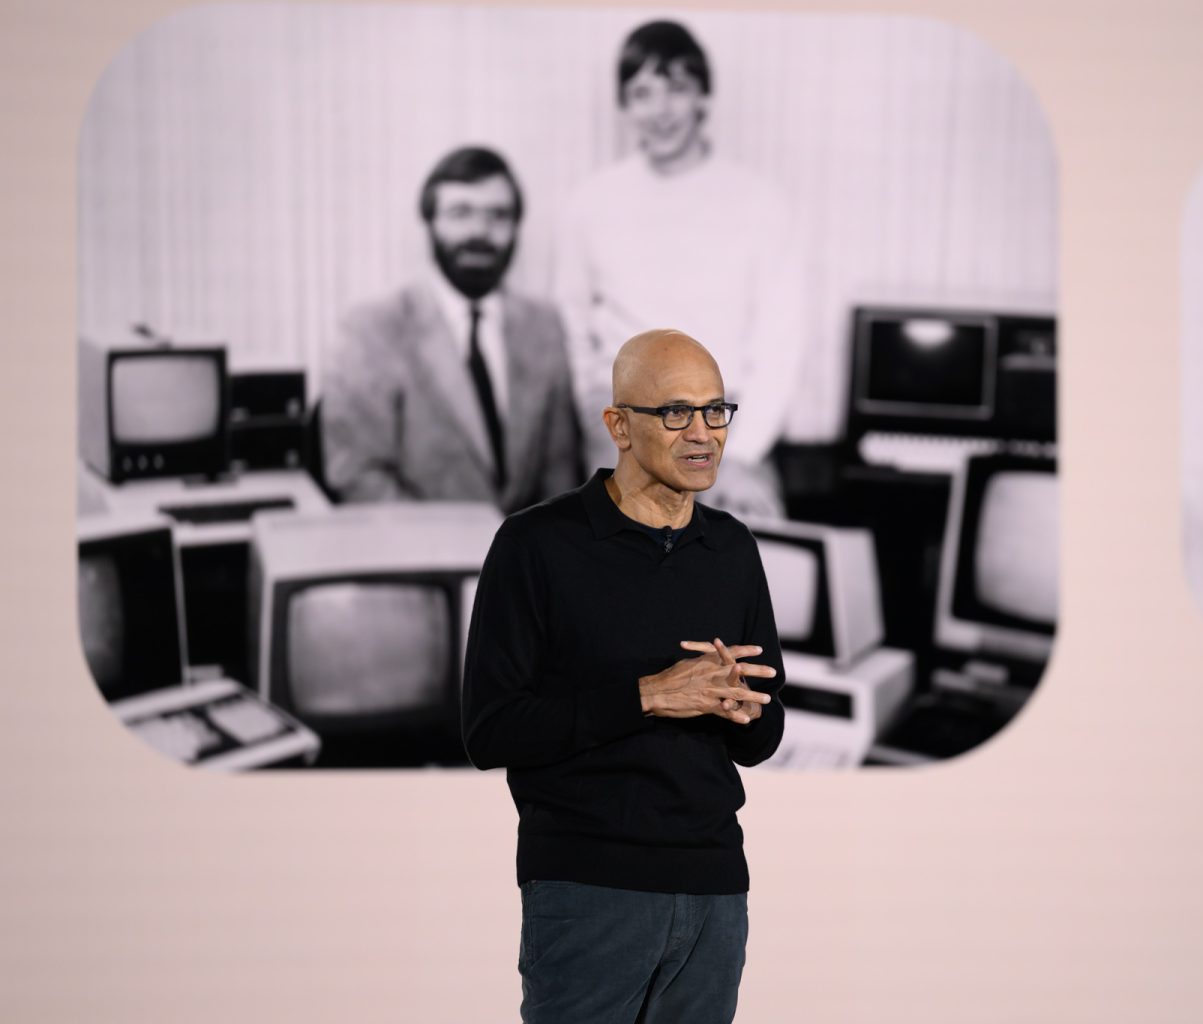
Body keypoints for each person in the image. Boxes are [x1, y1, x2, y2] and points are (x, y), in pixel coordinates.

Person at [461, 328, 786, 1024]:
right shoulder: (535, 544)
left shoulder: (732, 547)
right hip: (587, 888)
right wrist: (649, 696)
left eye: (715, 410)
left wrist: (747, 710)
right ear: (619, 426)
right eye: (675, 412)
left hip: (714, 892)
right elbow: (489, 731)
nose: (702, 433)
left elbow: (762, 736)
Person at [553, 19, 812, 516]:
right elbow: (572, 323)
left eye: (676, 88)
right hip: (624, 435)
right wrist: (607, 427)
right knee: (617, 561)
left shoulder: (760, 203)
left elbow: (781, 342)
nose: (661, 111)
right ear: (625, 106)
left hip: (727, 433)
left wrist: (741, 454)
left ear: (703, 97)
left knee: (744, 559)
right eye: (642, 93)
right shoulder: (591, 202)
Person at [323, 146, 581, 514]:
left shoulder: (544, 326)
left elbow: (560, 473)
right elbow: (358, 476)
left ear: (516, 229)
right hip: (416, 548)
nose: (480, 231)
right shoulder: (373, 329)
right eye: (460, 213)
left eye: (498, 215)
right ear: (430, 224)